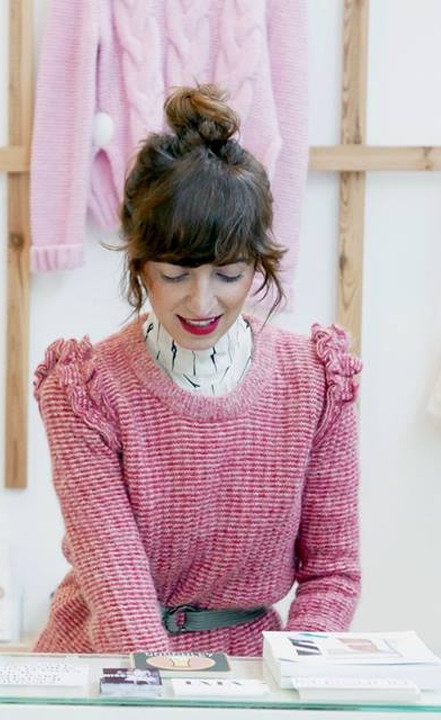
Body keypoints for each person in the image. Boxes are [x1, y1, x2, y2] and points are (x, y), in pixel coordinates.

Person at [32, 84, 362, 657]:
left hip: (252, 673)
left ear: (258, 264)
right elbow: (119, 592)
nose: (202, 302)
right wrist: (173, 693)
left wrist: (298, 676)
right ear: (140, 265)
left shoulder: (316, 380)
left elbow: (332, 573)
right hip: (108, 665)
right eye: (176, 275)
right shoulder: (85, 389)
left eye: (228, 275)